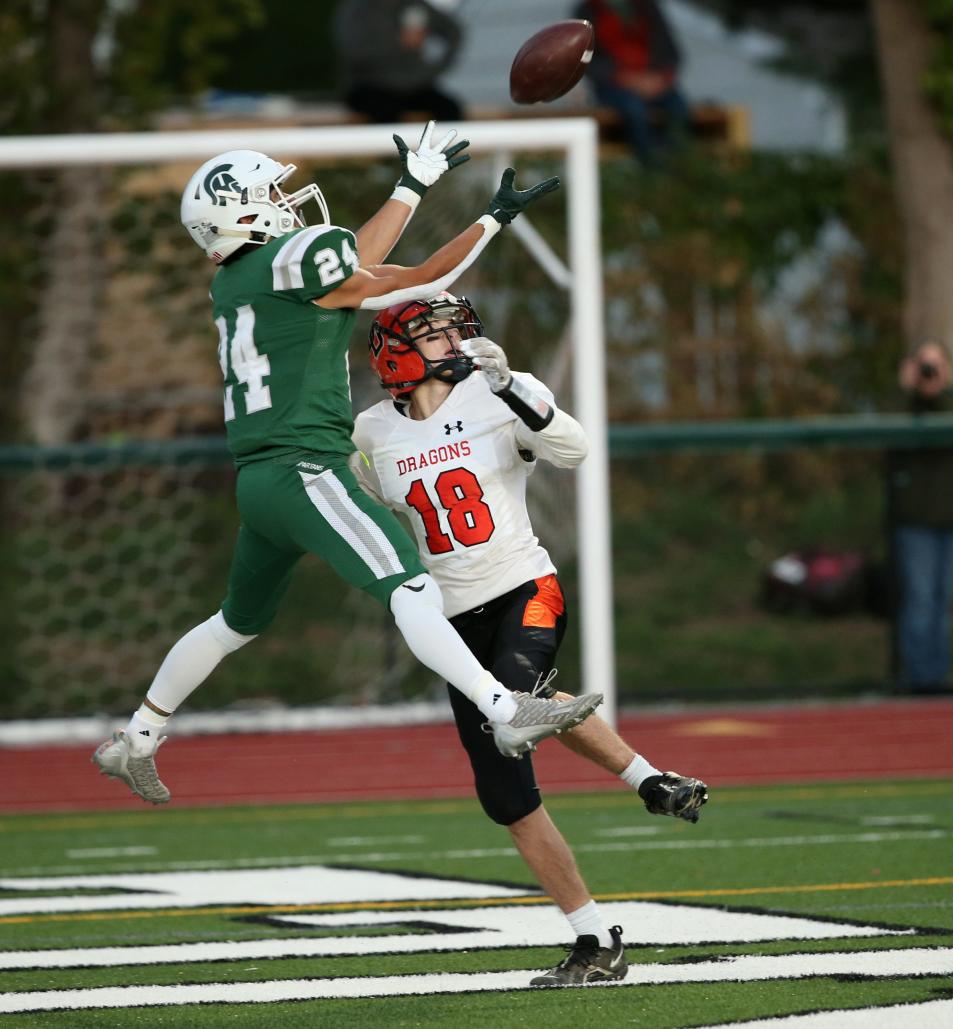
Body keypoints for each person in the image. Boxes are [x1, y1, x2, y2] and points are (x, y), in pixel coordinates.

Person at [92, 122, 604, 806]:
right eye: (270, 191)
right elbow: (367, 256)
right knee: (412, 587)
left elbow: (420, 279)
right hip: (306, 466)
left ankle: (138, 738)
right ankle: (506, 712)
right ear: (241, 211)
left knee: (235, 622)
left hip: (258, 482)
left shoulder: (243, 283)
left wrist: (489, 218)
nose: (287, 198)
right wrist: (413, 185)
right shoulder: (286, 261)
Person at [351, 293, 709, 987]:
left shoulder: (496, 390)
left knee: (516, 701)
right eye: (436, 331)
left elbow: (574, 449)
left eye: (455, 325)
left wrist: (513, 385)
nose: (457, 337)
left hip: (523, 588)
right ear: (397, 352)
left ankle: (637, 777)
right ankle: (600, 926)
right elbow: (373, 501)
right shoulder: (370, 430)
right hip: (447, 624)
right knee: (509, 797)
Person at [888, 340, 953, 693]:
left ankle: (940, 675)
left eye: (935, 366)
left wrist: (940, 392)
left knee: (942, 600)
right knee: (919, 596)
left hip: (952, 521)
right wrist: (908, 391)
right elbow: (889, 432)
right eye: (924, 366)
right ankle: (919, 678)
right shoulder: (903, 409)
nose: (930, 374)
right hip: (916, 522)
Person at [572, 0, 688, 164]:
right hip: (614, 87)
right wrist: (624, 78)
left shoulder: (646, 6)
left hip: (653, 81)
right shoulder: (587, 11)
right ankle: (651, 168)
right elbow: (587, 60)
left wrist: (659, 78)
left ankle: (683, 164)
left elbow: (669, 51)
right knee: (634, 112)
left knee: (678, 107)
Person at [335, 1, 464, 124]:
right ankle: (392, 148)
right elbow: (353, 51)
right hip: (369, 87)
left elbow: (454, 32)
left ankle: (437, 147)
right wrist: (397, 42)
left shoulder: (414, 5)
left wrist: (432, 70)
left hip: (413, 88)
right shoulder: (358, 9)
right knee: (385, 112)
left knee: (449, 109)